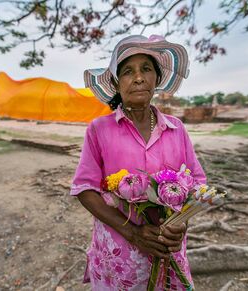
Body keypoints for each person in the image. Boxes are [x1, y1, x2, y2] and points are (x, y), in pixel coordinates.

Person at [70, 35, 206, 290]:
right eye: (128, 72)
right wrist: (133, 233)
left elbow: (198, 184)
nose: (139, 77)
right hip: (119, 257)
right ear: (116, 82)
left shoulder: (176, 128)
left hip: (168, 250)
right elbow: (84, 189)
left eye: (146, 69)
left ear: (157, 79)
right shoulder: (100, 129)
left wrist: (181, 224)